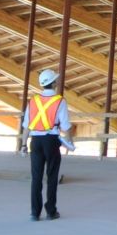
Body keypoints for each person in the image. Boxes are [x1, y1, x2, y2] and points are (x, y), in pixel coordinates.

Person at [23, 69, 74, 220]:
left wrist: (23, 144)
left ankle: (34, 212)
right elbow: (65, 126)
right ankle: (51, 211)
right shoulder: (60, 101)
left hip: (35, 141)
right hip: (51, 141)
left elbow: (27, 125)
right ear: (54, 83)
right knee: (52, 177)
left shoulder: (33, 101)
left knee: (36, 178)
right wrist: (70, 142)